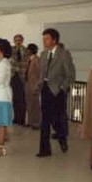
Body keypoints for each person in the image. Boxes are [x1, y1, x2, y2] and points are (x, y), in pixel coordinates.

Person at [37, 28, 76, 158]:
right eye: (43, 39)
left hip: (57, 90)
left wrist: (62, 88)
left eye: (47, 39)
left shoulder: (64, 54)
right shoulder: (43, 54)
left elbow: (70, 74)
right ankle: (44, 150)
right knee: (44, 120)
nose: (44, 41)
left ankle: (62, 138)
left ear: (54, 40)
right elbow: (42, 73)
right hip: (45, 89)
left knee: (57, 119)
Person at [10, 34, 28, 125]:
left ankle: (22, 119)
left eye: (19, 40)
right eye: (16, 40)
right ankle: (16, 118)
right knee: (15, 98)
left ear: (22, 40)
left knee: (22, 99)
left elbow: (27, 63)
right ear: (14, 41)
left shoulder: (26, 50)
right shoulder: (11, 50)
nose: (18, 42)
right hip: (14, 77)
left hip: (22, 77)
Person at [24, 43, 41, 129]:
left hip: (34, 84)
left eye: (28, 50)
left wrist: (37, 85)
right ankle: (30, 121)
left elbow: (39, 73)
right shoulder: (29, 59)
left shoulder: (36, 59)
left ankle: (37, 123)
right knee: (29, 104)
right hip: (28, 83)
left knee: (35, 105)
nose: (27, 51)